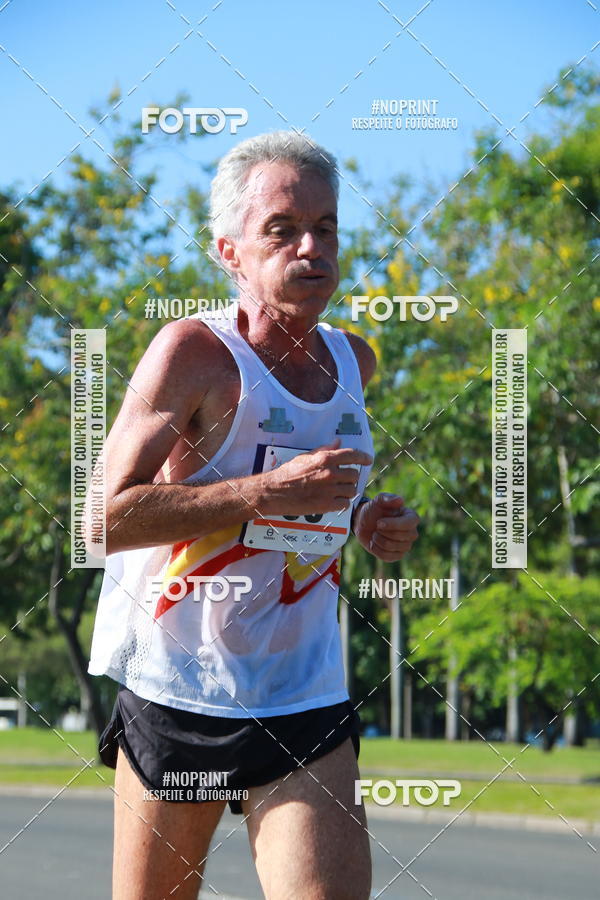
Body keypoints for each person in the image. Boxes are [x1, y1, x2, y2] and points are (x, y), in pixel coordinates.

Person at [88, 130, 419, 900]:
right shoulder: (192, 354)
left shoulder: (355, 362)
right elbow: (101, 521)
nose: (312, 248)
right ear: (230, 251)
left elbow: (317, 500)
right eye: (283, 230)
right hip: (181, 690)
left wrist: (366, 521)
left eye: (326, 227)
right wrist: (268, 495)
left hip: (304, 692)